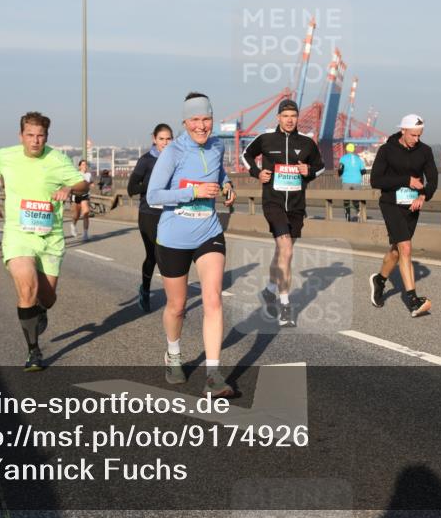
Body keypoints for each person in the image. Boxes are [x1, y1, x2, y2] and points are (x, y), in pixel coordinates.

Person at [147, 93, 236, 396]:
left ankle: (213, 376)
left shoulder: (217, 146)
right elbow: (153, 195)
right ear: (185, 121)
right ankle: (173, 353)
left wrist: (226, 185)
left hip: (208, 231)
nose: (202, 126)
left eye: (206, 119)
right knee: (177, 305)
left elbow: (219, 172)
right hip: (173, 237)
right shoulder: (173, 151)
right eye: (195, 120)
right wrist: (193, 191)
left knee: (212, 300)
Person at [0, 112, 88, 372]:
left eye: (40, 136)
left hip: (51, 237)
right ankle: (33, 351)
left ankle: (40, 309)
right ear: (21, 136)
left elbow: (83, 184)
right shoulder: (5, 156)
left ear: (47, 136)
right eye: (30, 135)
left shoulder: (57, 158)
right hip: (19, 234)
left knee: (48, 297)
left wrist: (70, 189)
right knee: (26, 285)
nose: (35, 141)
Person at [241, 99, 325, 327]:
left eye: (293, 116)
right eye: (285, 116)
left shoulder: (307, 143)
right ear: (278, 118)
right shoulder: (266, 139)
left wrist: (309, 171)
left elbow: (321, 166)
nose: (290, 120)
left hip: (297, 206)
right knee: (286, 249)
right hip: (273, 202)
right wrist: (257, 173)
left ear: (297, 118)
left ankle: (269, 289)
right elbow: (245, 155)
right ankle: (285, 305)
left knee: (282, 252)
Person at [369, 114, 439, 316]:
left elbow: (432, 180)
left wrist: (424, 195)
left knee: (397, 250)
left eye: (420, 135)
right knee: (406, 247)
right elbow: (376, 180)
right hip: (391, 204)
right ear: (403, 131)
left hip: (412, 206)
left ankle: (379, 280)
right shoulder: (387, 150)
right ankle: (413, 300)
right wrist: (406, 180)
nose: (416, 139)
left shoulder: (425, 151)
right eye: (413, 135)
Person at [127, 123, 174, 312]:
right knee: (154, 256)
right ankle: (145, 290)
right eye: (161, 139)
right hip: (149, 214)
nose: (165, 142)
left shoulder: (176, 159)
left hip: (170, 213)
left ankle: (174, 302)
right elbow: (131, 189)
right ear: (154, 139)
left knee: (170, 257)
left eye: (168, 138)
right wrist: (153, 185)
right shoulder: (146, 160)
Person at [339, 142, 367, 222]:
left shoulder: (343, 158)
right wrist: (358, 175)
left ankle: (348, 218)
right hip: (357, 181)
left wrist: (340, 174)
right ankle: (359, 214)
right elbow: (364, 171)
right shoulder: (358, 159)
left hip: (346, 181)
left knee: (346, 200)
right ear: (353, 149)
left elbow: (340, 169)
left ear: (346, 149)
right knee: (356, 199)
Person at [70, 159, 93, 241]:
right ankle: (73, 225)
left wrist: (91, 185)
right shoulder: (76, 174)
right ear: (79, 166)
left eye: (86, 165)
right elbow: (71, 184)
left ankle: (85, 233)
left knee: (86, 212)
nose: (85, 166)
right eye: (83, 164)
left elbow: (91, 183)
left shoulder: (89, 175)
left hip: (85, 195)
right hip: (75, 196)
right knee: (76, 215)